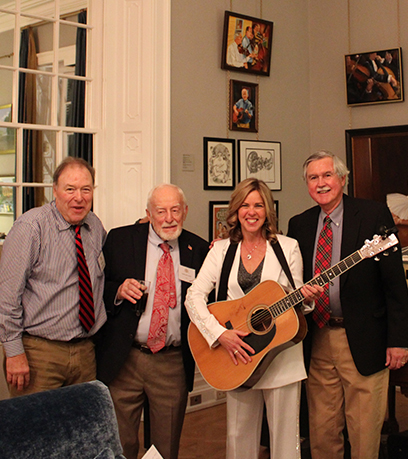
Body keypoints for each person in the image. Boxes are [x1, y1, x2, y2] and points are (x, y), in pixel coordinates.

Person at [185, 178, 320, 459]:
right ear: (235, 211)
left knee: (285, 442)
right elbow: (193, 296)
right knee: (239, 439)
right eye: (245, 205)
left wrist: (306, 299)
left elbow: (296, 304)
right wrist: (219, 334)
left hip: (281, 357)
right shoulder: (220, 250)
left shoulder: (288, 247)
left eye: (258, 205)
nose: (251, 211)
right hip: (237, 356)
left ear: (268, 210)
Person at [287, 150, 408, 459]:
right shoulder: (298, 224)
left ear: (342, 179)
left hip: (366, 338)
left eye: (327, 175)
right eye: (313, 178)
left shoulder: (372, 215)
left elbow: (395, 286)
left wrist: (399, 342)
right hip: (318, 337)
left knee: (364, 431)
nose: (321, 183)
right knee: (322, 430)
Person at [96, 184, 210, 459]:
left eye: (175, 210)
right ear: (149, 214)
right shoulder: (119, 240)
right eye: (161, 211)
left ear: (185, 212)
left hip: (171, 364)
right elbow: (100, 287)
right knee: (120, 444)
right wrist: (119, 291)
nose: (169, 218)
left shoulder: (200, 249)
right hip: (126, 360)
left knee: (164, 449)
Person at [0, 157, 106, 397]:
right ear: (55, 190)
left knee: (80, 431)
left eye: (85, 189)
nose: (78, 197)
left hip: (85, 352)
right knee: (36, 431)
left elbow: (107, 271)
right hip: (39, 354)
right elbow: (6, 297)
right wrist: (14, 352)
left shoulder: (95, 226)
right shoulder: (30, 228)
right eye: (70, 189)